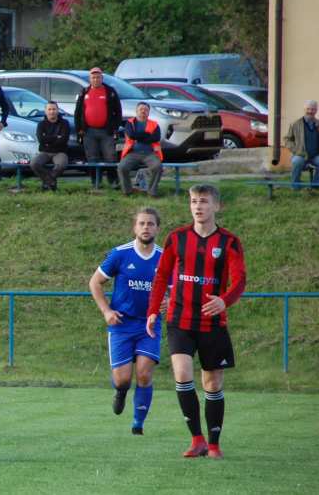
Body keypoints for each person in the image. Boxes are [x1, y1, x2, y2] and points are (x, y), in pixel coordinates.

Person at [147, 184, 246, 459]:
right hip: (180, 318)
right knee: (182, 374)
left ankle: (214, 444)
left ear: (217, 206)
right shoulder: (177, 238)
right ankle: (197, 439)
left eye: (203, 201)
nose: (198, 207)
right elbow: (161, 276)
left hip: (212, 323)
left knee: (212, 384)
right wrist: (153, 311)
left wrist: (224, 300)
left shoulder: (229, 242)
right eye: (193, 201)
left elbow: (239, 280)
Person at [88, 208, 163, 435]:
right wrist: (106, 311)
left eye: (150, 224)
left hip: (149, 325)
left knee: (143, 373)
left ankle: (138, 424)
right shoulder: (120, 254)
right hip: (121, 325)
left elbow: (173, 290)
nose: (146, 228)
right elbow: (95, 282)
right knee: (122, 380)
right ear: (134, 227)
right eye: (141, 223)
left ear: (157, 229)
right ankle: (120, 391)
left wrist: (169, 301)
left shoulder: (164, 257)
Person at [75, 67, 122, 189]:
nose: (96, 79)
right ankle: (96, 182)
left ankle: (113, 181)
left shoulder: (110, 91)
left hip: (107, 131)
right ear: (90, 79)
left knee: (110, 157)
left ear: (102, 78)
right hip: (88, 131)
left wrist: (115, 128)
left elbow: (118, 111)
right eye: (93, 77)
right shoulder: (84, 92)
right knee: (92, 158)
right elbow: (78, 112)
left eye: (98, 77)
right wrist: (79, 129)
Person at [117, 102, 164, 197]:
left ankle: (152, 192)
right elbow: (131, 135)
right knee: (122, 167)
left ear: (149, 112)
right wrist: (146, 135)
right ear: (136, 111)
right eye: (141, 109)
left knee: (157, 167)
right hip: (132, 152)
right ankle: (127, 191)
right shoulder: (129, 123)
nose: (143, 111)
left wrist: (139, 136)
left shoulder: (154, 124)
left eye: (146, 110)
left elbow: (156, 138)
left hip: (150, 153)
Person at [31, 101, 71, 192]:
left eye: (54, 109)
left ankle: (46, 183)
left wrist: (48, 140)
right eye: (49, 109)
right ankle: (51, 182)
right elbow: (41, 139)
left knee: (61, 165)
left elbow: (64, 140)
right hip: (45, 152)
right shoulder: (41, 124)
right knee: (34, 163)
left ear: (57, 110)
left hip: (60, 152)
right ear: (45, 111)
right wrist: (56, 137)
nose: (52, 111)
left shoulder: (65, 123)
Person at [283, 99, 319, 189]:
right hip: (301, 154)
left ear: (316, 110)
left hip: (315, 155)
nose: (310, 111)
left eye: (313, 109)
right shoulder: (295, 123)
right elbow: (287, 140)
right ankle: (295, 185)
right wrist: (296, 150)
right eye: (308, 109)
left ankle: (315, 185)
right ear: (304, 109)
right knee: (297, 161)